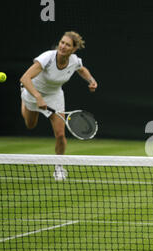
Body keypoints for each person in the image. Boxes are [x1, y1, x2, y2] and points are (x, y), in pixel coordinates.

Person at [20, 31, 98, 180]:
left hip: (54, 96)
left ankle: (59, 166)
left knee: (60, 134)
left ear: (73, 49)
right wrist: (37, 97)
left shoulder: (74, 60)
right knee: (30, 125)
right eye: (62, 42)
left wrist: (91, 80)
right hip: (33, 92)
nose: (63, 46)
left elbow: (81, 69)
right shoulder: (47, 58)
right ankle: (24, 101)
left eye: (67, 45)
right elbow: (25, 78)